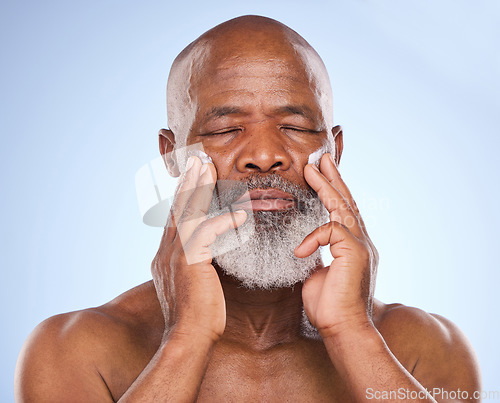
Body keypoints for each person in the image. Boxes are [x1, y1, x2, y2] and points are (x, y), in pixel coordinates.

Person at [15, 15, 480, 402]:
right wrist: (186, 338)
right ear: (172, 156)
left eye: (295, 126)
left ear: (333, 152)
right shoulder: (74, 350)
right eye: (224, 130)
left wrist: (353, 334)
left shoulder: (424, 347)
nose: (264, 154)